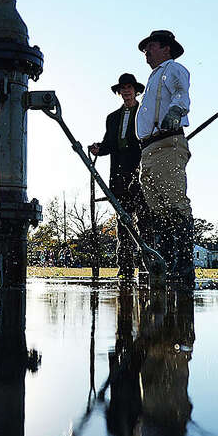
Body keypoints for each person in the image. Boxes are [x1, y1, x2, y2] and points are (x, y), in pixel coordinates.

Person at [134, 30, 195, 288]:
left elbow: (182, 93)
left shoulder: (173, 69)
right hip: (148, 149)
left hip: (167, 144)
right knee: (157, 210)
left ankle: (183, 267)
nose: (147, 52)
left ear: (166, 48)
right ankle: (167, 263)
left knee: (175, 204)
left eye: (151, 47)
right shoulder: (152, 79)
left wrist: (177, 110)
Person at [89, 73, 146, 281]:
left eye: (129, 87)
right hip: (119, 174)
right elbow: (109, 144)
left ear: (135, 90)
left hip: (140, 171)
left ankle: (146, 264)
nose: (126, 91)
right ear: (119, 91)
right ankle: (125, 266)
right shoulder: (112, 118)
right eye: (123, 88)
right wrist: (98, 149)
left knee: (145, 219)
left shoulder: (144, 112)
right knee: (123, 221)